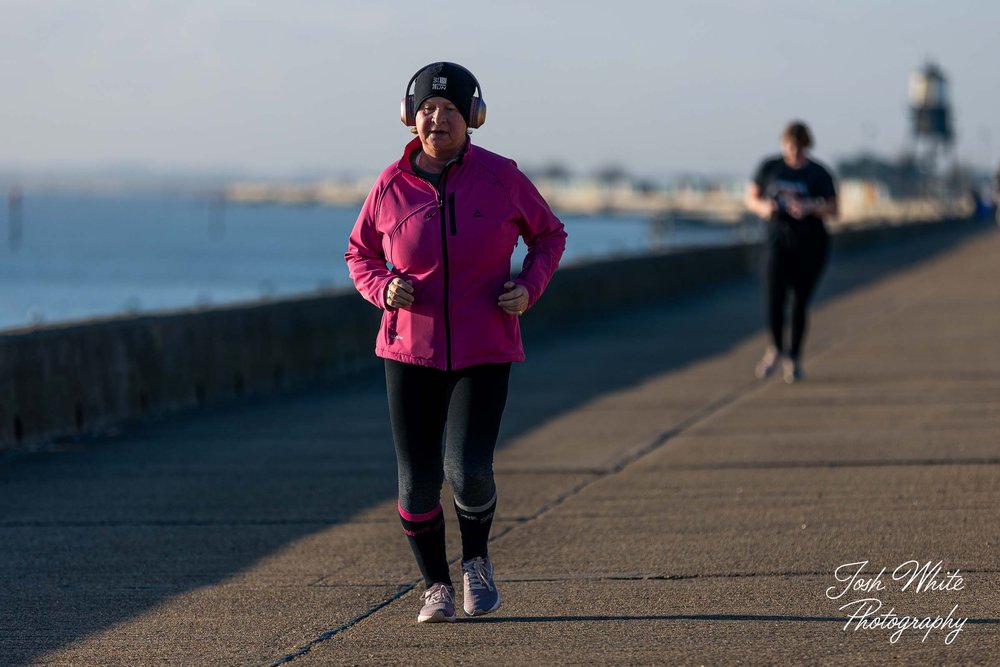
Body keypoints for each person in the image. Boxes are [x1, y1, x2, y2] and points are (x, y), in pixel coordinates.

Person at [345, 62, 567, 623]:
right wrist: (381, 287)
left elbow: (549, 235)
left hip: (484, 348)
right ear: (408, 118)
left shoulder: (501, 177)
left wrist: (529, 286)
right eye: (425, 110)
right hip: (408, 352)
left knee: (466, 469)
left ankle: (475, 562)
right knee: (416, 480)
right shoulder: (390, 185)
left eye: (447, 110)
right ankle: (435, 586)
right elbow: (359, 253)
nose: (435, 119)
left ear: (473, 118)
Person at [745, 121, 838, 383]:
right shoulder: (770, 168)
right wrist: (765, 208)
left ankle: (793, 358)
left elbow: (834, 208)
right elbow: (751, 198)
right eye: (789, 146)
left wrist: (809, 207)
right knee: (774, 298)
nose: (793, 151)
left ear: (806, 146)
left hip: (811, 244)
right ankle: (775, 348)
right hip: (778, 242)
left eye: (798, 147)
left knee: (799, 302)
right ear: (782, 144)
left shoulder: (819, 173)